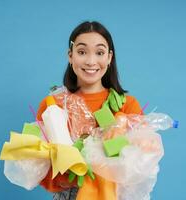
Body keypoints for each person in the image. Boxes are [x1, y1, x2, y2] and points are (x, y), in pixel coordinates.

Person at [36, 21, 143, 200]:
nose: (91, 61)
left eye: (99, 52)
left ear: (109, 58)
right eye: (82, 52)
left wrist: (121, 123)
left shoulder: (127, 106)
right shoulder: (53, 105)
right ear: (70, 56)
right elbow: (39, 167)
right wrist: (71, 172)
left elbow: (140, 165)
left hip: (114, 194)